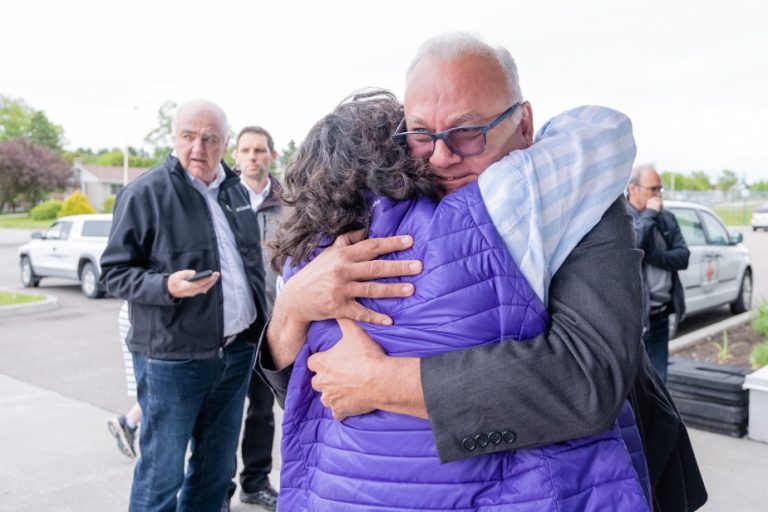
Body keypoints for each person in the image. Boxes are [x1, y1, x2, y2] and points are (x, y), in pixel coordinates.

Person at [258, 34, 707, 511]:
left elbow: (586, 379)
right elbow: (326, 393)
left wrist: (384, 381)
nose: (441, 156)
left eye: (467, 131)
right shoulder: (384, 214)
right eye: (421, 134)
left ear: (524, 123)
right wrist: (291, 310)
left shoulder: (569, 205)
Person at [100, 99, 268, 512]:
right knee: (161, 476)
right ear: (174, 138)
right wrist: (166, 286)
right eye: (189, 136)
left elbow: (250, 263)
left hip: (235, 355)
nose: (199, 147)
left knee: (214, 475)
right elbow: (114, 273)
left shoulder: (235, 192)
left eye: (210, 138)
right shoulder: (145, 193)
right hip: (173, 361)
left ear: (225, 142)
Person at [224, 126, 281, 511]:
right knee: (223, 413)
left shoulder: (290, 204)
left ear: (272, 156)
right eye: (245, 150)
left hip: (274, 326)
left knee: (262, 411)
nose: (252, 157)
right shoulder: (224, 200)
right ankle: (219, 488)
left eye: (259, 150)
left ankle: (255, 483)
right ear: (236, 156)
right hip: (233, 328)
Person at [627, 164, 690, 382]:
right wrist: (650, 214)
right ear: (633, 189)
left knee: (660, 383)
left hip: (660, 317)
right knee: (634, 388)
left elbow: (683, 257)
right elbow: (633, 245)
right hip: (633, 321)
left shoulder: (667, 218)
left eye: (660, 189)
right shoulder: (623, 219)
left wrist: (650, 255)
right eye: (652, 189)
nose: (658, 195)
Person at [107, 300, 142, 458]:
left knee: (156, 390)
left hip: (135, 314)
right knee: (159, 390)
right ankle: (127, 423)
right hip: (140, 318)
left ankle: (127, 423)